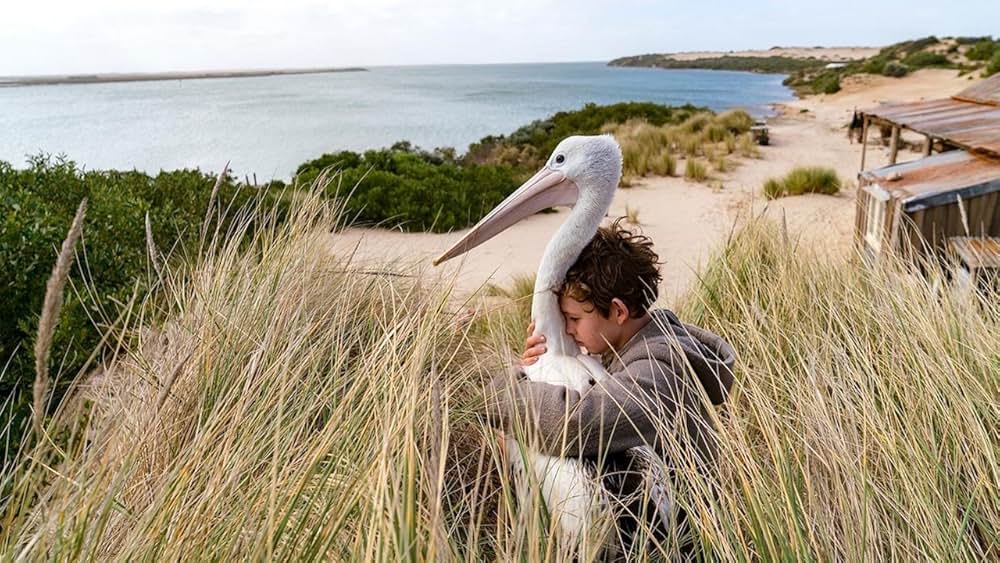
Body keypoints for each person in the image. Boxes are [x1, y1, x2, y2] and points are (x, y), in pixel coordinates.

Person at [485, 219, 736, 557]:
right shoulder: (634, 347)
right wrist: (533, 366)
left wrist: (506, 389)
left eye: (574, 319)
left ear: (617, 311)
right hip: (652, 523)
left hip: (680, 543)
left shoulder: (658, 370)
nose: (569, 330)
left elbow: (574, 424)